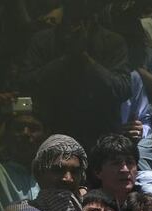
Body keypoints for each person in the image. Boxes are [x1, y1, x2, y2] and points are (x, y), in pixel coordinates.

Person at [18, 0, 131, 149]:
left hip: (101, 138)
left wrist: (85, 59)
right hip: (54, 134)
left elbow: (122, 89)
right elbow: (27, 85)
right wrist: (67, 58)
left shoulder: (113, 42)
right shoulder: (43, 41)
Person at [85, 133, 138, 206]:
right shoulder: (83, 207)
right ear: (98, 172)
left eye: (130, 162)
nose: (125, 170)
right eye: (116, 163)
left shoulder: (145, 208)